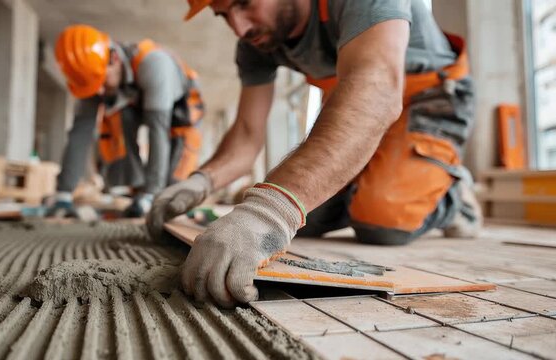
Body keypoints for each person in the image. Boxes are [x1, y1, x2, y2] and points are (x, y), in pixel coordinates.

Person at [147, 0, 482, 308]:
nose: (238, 26)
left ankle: (452, 198)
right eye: (223, 15)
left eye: (243, 3)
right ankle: (373, 181)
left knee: (382, 222)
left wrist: (268, 212)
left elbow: (377, 89)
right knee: (303, 222)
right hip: (355, 114)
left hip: (427, 99)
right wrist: (200, 182)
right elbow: (248, 135)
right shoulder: (256, 41)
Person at [49, 24, 204, 218]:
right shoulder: (93, 76)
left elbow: (158, 130)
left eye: (102, 84)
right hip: (139, 105)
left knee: (173, 194)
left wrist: (152, 194)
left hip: (180, 115)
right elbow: (80, 132)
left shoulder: (154, 65)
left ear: (113, 59)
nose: (99, 93)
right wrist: (63, 193)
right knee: (115, 117)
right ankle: (138, 192)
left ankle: (151, 193)